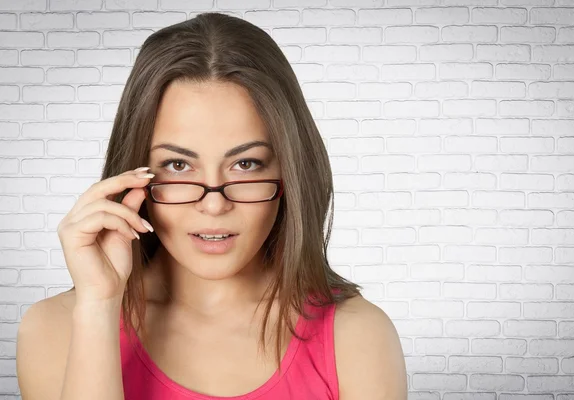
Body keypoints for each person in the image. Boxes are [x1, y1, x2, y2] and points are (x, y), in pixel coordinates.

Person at [16, 11, 407, 400]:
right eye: (178, 165)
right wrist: (99, 307)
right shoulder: (57, 328)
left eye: (245, 164)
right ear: (135, 173)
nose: (215, 205)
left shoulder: (356, 336)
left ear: (290, 172)